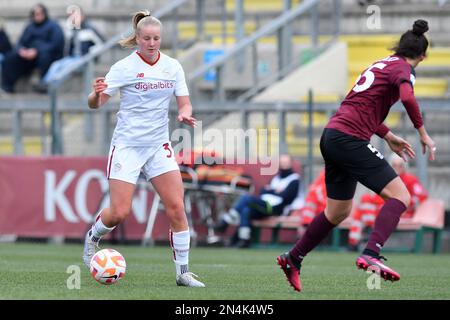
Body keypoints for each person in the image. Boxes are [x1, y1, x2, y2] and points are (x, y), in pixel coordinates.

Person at [276, 19, 436, 292]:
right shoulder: (404, 69)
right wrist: (422, 132)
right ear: (422, 56)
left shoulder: (380, 64)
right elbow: (408, 98)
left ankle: (293, 258)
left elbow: (358, 106)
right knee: (401, 197)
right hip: (350, 139)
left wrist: (387, 135)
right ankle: (371, 253)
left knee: (338, 212)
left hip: (332, 136)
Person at [83, 10, 205, 288]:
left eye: (157, 38)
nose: (152, 43)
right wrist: (95, 93)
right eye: (147, 38)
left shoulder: (172, 67)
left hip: (158, 146)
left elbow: (184, 102)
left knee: (176, 207)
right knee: (119, 212)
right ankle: (93, 237)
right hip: (127, 146)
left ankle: (183, 272)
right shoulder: (124, 67)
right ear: (137, 38)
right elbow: (96, 103)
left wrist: (185, 113)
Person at [214, 154, 302, 248]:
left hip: (276, 208)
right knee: (246, 210)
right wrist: (275, 191)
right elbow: (263, 190)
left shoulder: (294, 179)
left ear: (291, 163)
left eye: (286, 163)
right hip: (264, 204)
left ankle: (226, 221)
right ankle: (244, 239)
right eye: (282, 163)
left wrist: (271, 190)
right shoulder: (277, 178)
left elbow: (286, 197)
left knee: (246, 198)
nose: (283, 165)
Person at [348, 153, 428, 249]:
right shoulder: (387, 178)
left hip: (402, 211)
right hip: (384, 207)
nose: (397, 168)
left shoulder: (410, 179)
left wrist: (408, 205)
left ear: (405, 166)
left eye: (400, 165)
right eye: (394, 165)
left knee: (365, 209)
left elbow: (421, 196)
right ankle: (362, 235)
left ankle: (362, 237)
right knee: (365, 201)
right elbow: (380, 196)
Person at [38, 6, 104, 92]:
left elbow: (101, 44)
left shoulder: (90, 30)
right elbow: (67, 46)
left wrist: (91, 53)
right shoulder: (71, 30)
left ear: (82, 16)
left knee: (66, 68)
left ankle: (50, 86)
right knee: (56, 65)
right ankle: (44, 83)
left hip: (83, 58)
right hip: (72, 58)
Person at [0, 4, 64, 93]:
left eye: (40, 13)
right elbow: (21, 42)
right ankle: (7, 86)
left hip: (46, 56)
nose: (37, 16)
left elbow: (56, 44)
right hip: (29, 57)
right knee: (10, 58)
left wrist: (37, 51)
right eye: (35, 14)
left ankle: (43, 85)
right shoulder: (30, 27)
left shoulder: (53, 26)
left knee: (45, 57)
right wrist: (22, 50)